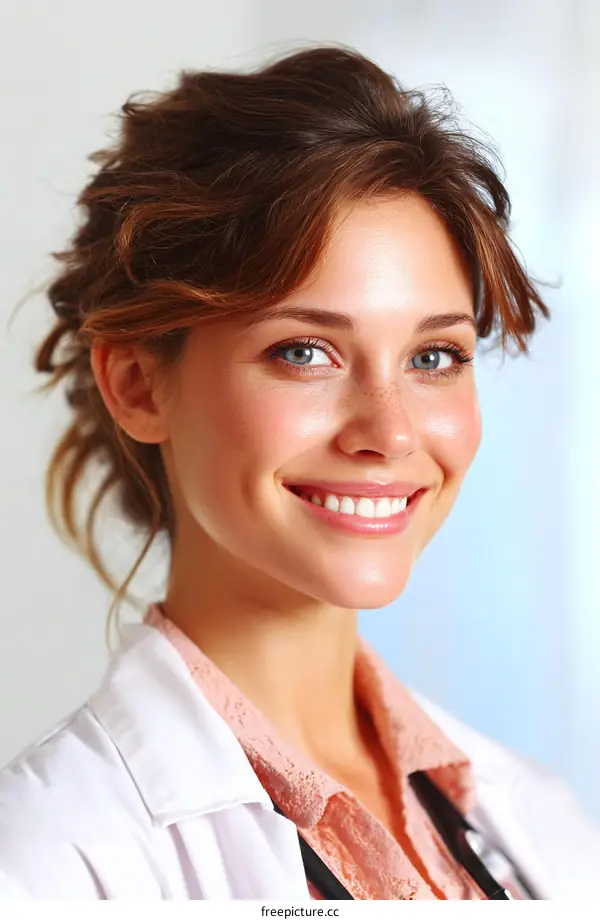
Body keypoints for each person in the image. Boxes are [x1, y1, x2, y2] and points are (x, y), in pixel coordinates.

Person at [0, 45, 597, 902]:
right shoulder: (49, 865)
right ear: (137, 385)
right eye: (305, 351)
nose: (389, 432)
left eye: (434, 355)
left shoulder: (543, 824)